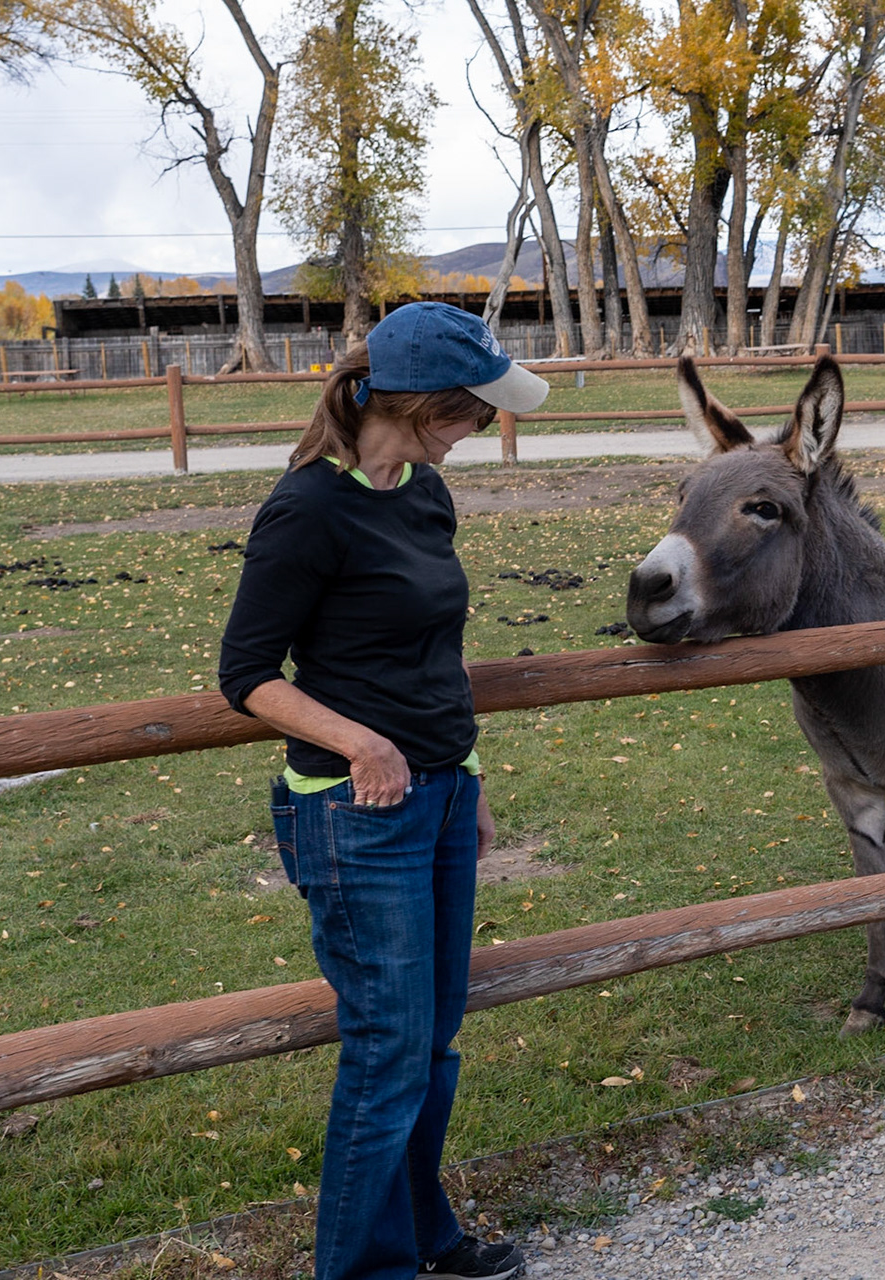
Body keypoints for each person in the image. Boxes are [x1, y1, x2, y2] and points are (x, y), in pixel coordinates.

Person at [218, 302, 548, 1280]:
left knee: (431, 1047)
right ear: (429, 406)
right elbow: (246, 673)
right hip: (355, 817)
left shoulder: (422, 491)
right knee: (388, 1054)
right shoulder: (308, 508)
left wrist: (469, 771)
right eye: (478, 413)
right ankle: (368, 1268)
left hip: (441, 800)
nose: (486, 430)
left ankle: (425, 1235)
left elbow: (435, 656)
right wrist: (359, 740)